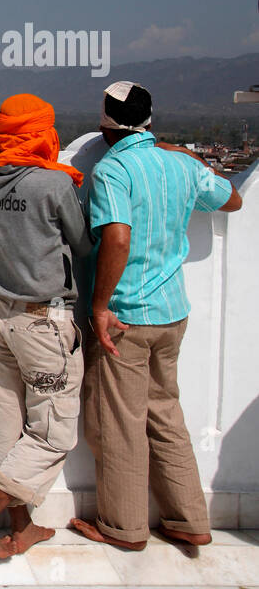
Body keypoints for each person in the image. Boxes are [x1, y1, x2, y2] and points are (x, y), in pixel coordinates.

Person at [71, 81, 242, 552]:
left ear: (106, 124)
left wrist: (101, 308)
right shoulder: (179, 163)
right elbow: (232, 199)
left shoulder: (114, 170)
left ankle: (123, 527)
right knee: (165, 413)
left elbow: (118, 240)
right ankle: (189, 519)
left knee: (120, 423)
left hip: (126, 316)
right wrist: (189, 158)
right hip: (172, 313)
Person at [0, 94, 91, 558]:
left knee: (9, 426)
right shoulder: (54, 184)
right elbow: (84, 243)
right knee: (54, 432)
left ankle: (21, 525)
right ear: (43, 132)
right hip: (44, 323)